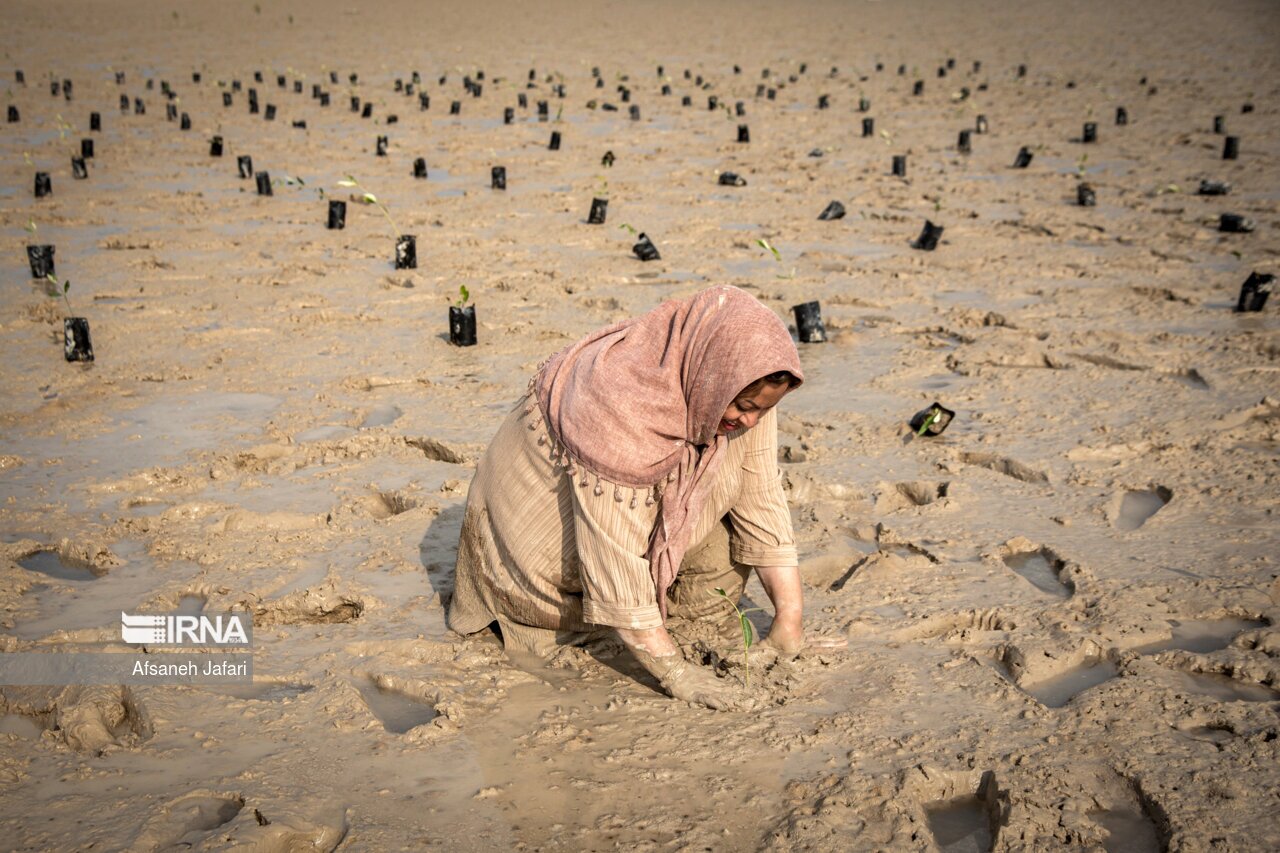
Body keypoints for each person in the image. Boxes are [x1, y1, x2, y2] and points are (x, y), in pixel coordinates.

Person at [447, 285, 845, 709]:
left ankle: (660, 622)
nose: (750, 419)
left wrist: (789, 622)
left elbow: (761, 498)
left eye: (762, 410)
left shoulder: (739, 383)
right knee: (597, 604)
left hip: (627, 524)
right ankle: (637, 633)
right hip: (536, 570)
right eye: (745, 406)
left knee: (729, 524)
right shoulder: (617, 403)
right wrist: (678, 674)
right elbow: (612, 554)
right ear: (712, 376)